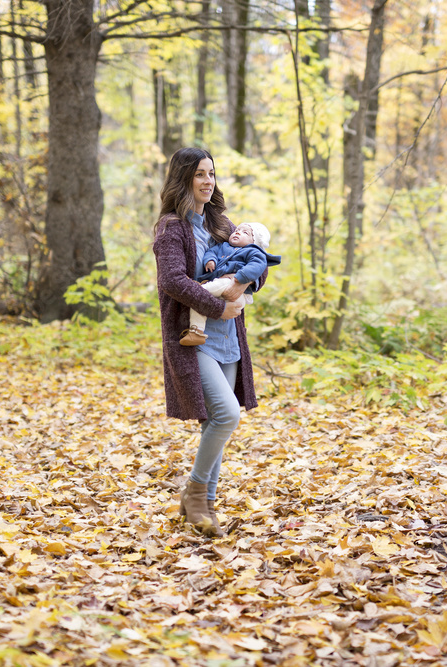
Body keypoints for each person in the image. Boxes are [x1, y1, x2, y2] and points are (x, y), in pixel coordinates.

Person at [152, 147, 269, 537]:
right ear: (183, 178)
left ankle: (206, 507)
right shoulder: (171, 228)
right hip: (193, 337)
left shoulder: (221, 223)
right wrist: (216, 307)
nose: (207, 181)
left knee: (214, 422)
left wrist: (242, 281)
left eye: (211, 174)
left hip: (229, 340)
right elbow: (172, 281)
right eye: (200, 174)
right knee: (226, 415)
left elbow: (258, 260)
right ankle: (196, 493)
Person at [180, 222, 281, 346]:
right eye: (237, 230)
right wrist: (210, 260)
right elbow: (211, 251)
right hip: (219, 285)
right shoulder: (223, 246)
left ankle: (197, 288)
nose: (238, 232)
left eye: (245, 233)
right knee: (200, 302)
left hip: (232, 286)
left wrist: (240, 277)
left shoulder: (253, 251)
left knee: (199, 294)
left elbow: (258, 265)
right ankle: (196, 332)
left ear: (254, 242)